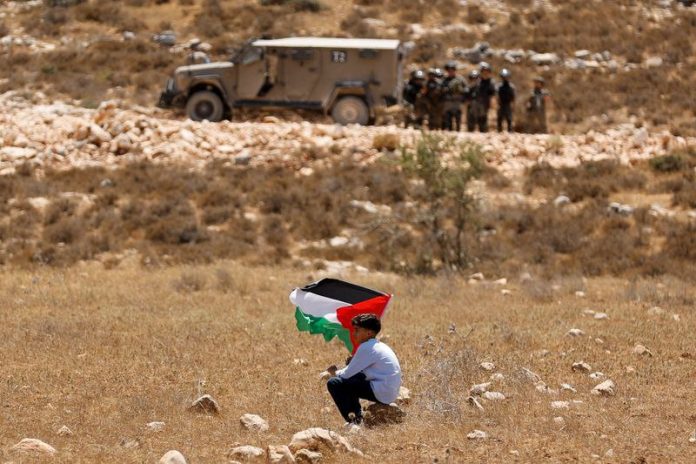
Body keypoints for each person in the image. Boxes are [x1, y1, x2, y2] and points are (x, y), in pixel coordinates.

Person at [326, 314, 401, 425]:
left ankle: (354, 421)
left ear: (369, 333)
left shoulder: (366, 347)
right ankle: (357, 415)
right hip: (390, 392)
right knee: (353, 379)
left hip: (382, 391)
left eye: (357, 330)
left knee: (334, 383)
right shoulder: (379, 345)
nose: (353, 333)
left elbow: (346, 375)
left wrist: (334, 372)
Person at [470, 61, 496, 132]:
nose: (485, 72)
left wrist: (492, 104)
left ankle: (483, 132)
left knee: (483, 119)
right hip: (476, 103)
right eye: (483, 71)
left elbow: (493, 94)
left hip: (485, 103)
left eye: (486, 71)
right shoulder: (478, 81)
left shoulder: (491, 82)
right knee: (473, 118)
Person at [441, 61, 467, 132]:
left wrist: (460, 91)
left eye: (452, 70)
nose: (450, 71)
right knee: (448, 121)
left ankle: (458, 133)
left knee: (458, 120)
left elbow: (466, 89)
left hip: (457, 103)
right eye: (449, 70)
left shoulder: (460, 79)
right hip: (448, 103)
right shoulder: (444, 79)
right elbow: (441, 89)